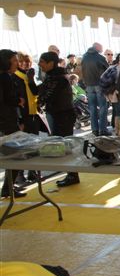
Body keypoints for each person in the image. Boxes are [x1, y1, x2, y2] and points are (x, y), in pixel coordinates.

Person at [38, 52, 80, 187]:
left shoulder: (57, 78)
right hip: (61, 114)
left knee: (65, 145)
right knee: (63, 144)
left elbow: (47, 95)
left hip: (63, 115)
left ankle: (72, 175)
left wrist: (37, 100)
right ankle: (71, 174)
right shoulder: (55, 76)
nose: (39, 64)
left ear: (51, 63)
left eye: (42, 62)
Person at [0, 49, 27, 198]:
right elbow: (8, 99)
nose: (17, 63)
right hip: (7, 122)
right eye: (15, 60)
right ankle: (7, 187)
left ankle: (8, 187)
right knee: (15, 154)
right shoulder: (5, 77)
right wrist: (18, 101)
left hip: (6, 121)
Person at [81, 43, 110, 136]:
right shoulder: (100, 57)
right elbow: (108, 70)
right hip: (99, 84)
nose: (102, 49)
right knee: (103, 107)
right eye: (101, 47)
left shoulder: (84, 57)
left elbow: (82, 71)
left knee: (92, 108)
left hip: (89, 85)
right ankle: (103, 130)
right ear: (97, 47)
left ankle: (95, 130)